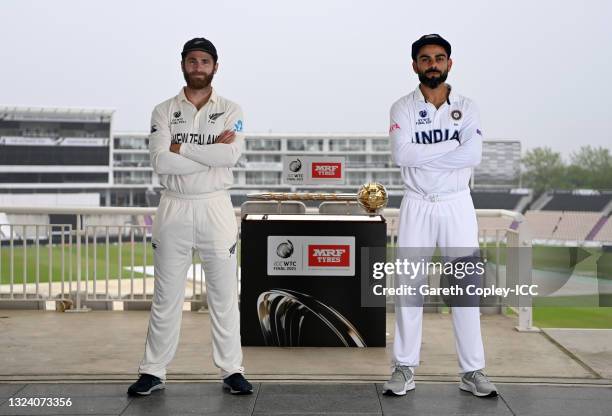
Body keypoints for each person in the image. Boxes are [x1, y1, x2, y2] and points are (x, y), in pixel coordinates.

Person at [127, 37, 252, 396]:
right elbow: (160, 161)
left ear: (215, 66)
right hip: (174, 205)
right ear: (183, 64)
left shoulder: (231, 109)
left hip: (215, 205)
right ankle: (153, 371)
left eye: (205, 61)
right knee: (165, 295)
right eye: (192, 61)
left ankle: (232, 370)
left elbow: (230, 158)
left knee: (225, 294)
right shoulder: (163, 110)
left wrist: (181, 146)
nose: (199, 67)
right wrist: (210, 149)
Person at [384, 34, 498, 397]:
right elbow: (402, 156)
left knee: (465, 289)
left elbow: (473, 156)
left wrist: (427, 150)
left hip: (456, 203)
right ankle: (404, 367)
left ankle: (472, 371)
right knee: (409, 288)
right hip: (417, 202)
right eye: (425, 58)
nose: (432, 63)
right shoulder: (402, 107)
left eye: (439, 58)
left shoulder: (468, 106)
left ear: (449, 63)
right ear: (415, 65)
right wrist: (453, 144)